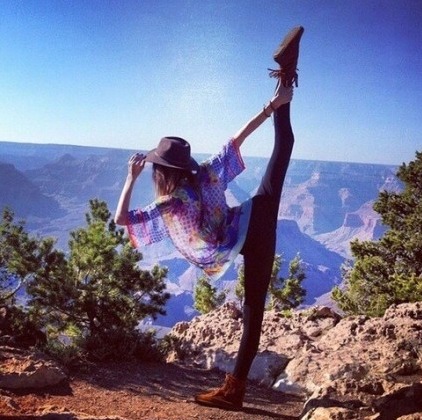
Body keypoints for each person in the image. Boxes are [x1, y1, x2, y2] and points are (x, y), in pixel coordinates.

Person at [115, 26, 304, 410]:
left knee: (254, 310)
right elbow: (236, 139)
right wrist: (270, 107)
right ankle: (286, 80)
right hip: (258, 217)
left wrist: (130, 178)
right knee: (283, 149)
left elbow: (121, 219)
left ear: (159, 170)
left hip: (249, 234)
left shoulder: (170, 202)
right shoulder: (205, 173)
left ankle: (234, 392)